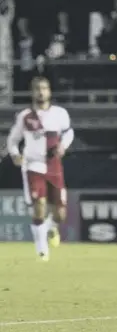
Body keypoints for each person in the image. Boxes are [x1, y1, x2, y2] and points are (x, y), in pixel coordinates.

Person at [6, 77, 73, 261]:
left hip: (54, 166)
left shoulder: (59, 114)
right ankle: (42, 249)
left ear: (49, 91)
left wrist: (63, 146)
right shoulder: (25, 116)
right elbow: (12, 140)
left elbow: (69, 133)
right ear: (32, 92)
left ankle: (51, 227)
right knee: (40, 206)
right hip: (33, 165)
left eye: (44, 88)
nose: (41, 92)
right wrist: (14, 154)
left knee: (60, 214)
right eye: (37, 89)